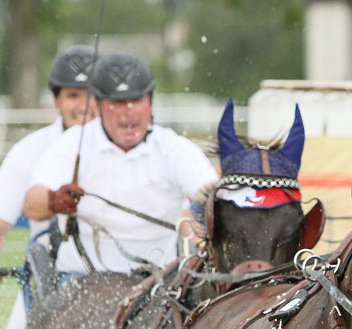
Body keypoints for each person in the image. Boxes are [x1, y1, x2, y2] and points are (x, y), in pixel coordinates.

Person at [23, 51, 217, 277]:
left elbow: (209, 194)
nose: (129, 113)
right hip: (81, 277)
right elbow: (31, 205)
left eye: (136, 101)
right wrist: (54, 201)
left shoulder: (173, 147)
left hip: (160, 280)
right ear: (99, 105)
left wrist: (216, 204)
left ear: (150, 102)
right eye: (118, 103)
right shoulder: (72, 142)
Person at [0, 45, 99, 329]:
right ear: (56, 101)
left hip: (124, 265)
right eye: (73, 95)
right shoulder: (29, 150)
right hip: (53, 272)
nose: (84, 105)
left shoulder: (124, 148)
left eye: (90, 94)